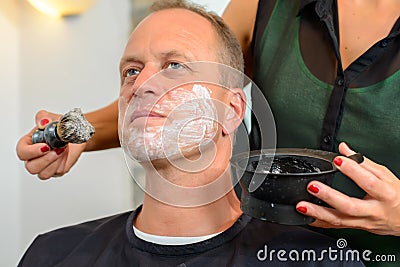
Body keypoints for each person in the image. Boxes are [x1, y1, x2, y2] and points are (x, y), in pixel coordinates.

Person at [16, 0, 400, 266]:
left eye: (174, 66)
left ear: (235, 109)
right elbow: (192, 70)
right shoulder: (52, 255)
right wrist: (75, 132)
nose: (145, 83)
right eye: (130, 72)